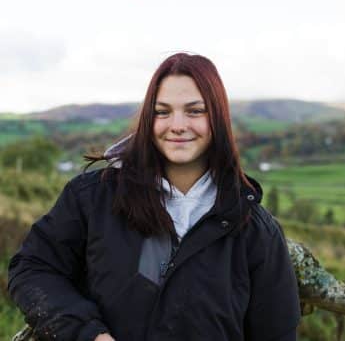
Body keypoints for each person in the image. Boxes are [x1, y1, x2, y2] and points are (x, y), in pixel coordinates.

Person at [8, 53, 301, 341]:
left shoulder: (255, 230)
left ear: (218, 118)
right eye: (162, 112)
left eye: (195, 111)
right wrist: (89, 334)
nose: (177, 125)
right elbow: (33, 269)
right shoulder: (92, 198)